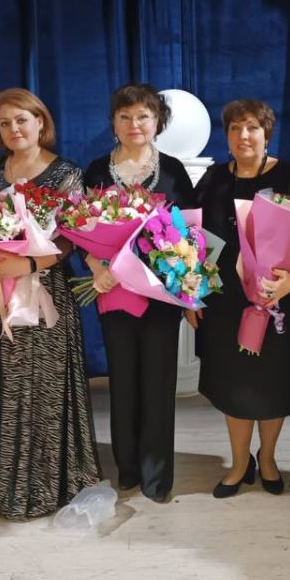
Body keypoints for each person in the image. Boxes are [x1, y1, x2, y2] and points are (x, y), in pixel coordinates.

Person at [0, 88, 101, 520]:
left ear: (40, 122)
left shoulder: (65, 172)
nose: (14, 129)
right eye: (5, 123)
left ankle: (46, 483)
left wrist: (27, 262)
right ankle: (6, 482)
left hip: (45, 289)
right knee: (4, 383)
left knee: (44, 384)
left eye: (22, 120)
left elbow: (71, 238)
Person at [189, 99, 290, 497]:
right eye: (235, 128)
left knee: (273, 382)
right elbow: (190, 239)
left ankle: (267, 458)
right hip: (224, 302)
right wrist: (191, 296)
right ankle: (238, 462)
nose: (243, 136)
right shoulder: (213, 179)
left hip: (279, 299)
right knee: (234, 383)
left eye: (252, 128)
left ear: (267, 134)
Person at [82, 84, 194, 503]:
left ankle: (156, 475)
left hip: (160, 293)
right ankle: (127, 468)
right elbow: (80, 228)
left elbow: (190, 231)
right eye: (125, 116)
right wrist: (97, 268)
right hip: (113, 290)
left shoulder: (174, 170)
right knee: (124, 380)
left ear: (157, 121)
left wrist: (179, 274)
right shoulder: (96, 170)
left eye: (144, 116)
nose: (135, 124)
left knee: (158, 382)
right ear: (113, 122)